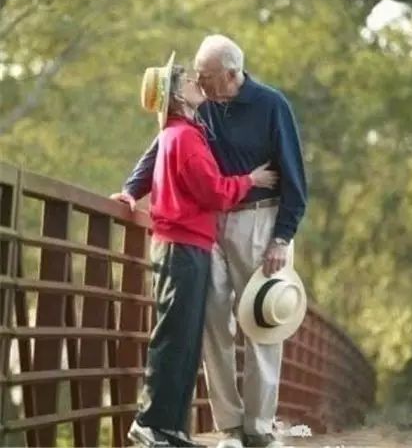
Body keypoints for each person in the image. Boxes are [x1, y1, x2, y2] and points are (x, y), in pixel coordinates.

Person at [115, 35, 307, 448]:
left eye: (206, 76)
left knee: (261, 324)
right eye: (196, 76)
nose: (198, 82)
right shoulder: (201, 110)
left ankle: (259, 427)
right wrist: (132, 190)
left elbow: (295, 179)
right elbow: (163, 143)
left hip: (259, 222)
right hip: (209, 224)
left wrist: (282, 238)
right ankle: (231, 429)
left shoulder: (272, 106)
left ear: (232, 74)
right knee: (213, 324)